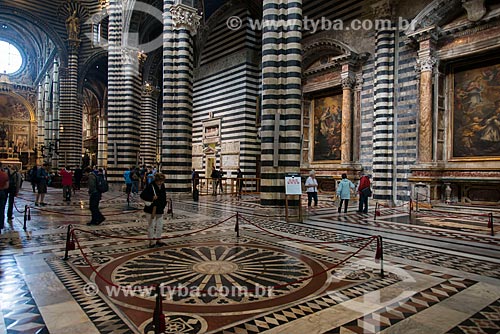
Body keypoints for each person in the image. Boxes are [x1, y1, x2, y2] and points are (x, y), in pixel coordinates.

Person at [140, 173, 167, 248]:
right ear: (156, 180)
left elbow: (164, 196)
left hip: (160, 208)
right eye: (160, 181)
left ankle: (158, 239)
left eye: (162, 181)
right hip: (151, 209)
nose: (161, 183)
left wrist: (163, 205)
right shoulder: (150, 186)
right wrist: (152, 197)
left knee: (159, 225)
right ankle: (151, 241)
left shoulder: (162, 186)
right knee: (151, 225)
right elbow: (142, 195)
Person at [0, 163, 9, 232]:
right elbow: (7, 186)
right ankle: (1, 225)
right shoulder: (4, 174)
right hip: (2, 192)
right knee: (2, 209)